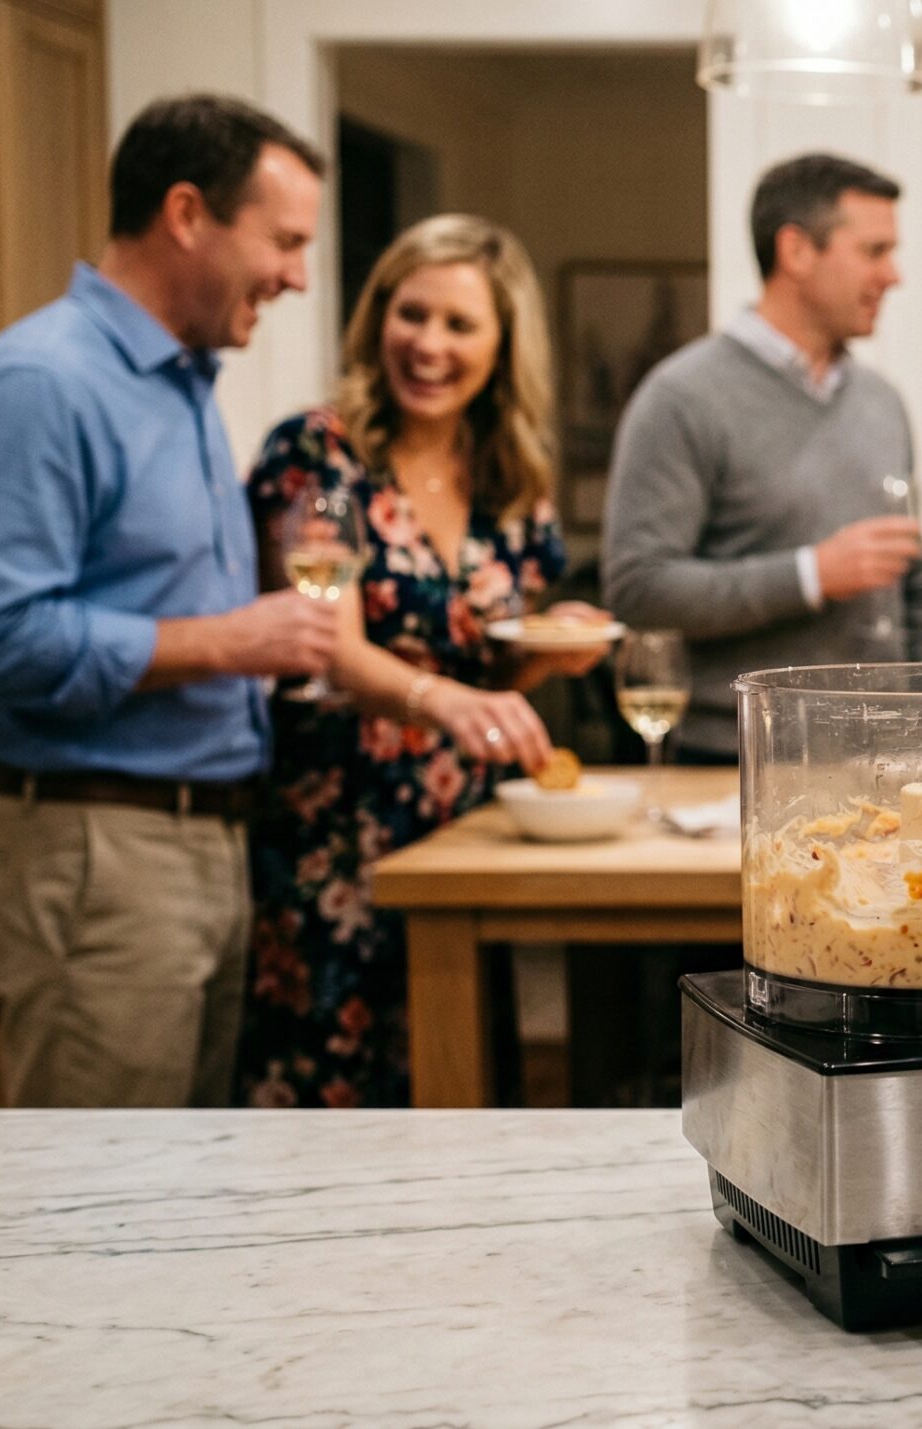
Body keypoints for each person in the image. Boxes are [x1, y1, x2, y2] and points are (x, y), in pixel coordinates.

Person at [0, 94, 333, 1107]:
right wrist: (227, 641)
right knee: (101, 1186)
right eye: (284, 241)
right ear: (187, 214)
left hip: (198, 843)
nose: (297, 275)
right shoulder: (41, 384)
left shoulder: (180, 384)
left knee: (181, 1180)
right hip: (94, 852)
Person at [237, 215, 606, 1109]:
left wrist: (550, 650)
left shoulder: (510, 476)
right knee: (330, 1097)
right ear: (378, 319)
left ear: (502, 345)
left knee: (458, 1081)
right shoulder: (319, 453)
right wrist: (444, 700)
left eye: (459, 324)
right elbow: (323, 641)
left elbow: (484, 676)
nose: (429, 345)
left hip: (462, 835)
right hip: (336, 830)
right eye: (412, 315)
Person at [603, 152, 922, 763]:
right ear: (796, 251)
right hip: (732, 762)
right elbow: (639, 588)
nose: (893, 275)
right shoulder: (681, 398)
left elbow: (912, 586)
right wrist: (811, 575)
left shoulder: (882, 401)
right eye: (874, 251)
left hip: (882, 763)